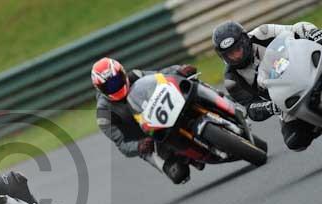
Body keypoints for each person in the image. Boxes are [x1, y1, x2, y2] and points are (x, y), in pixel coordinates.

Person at [212, 20, 322, 151]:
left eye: (237, 49)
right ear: (223, 56)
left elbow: (298, 28)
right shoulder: (232, 80)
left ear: (245, 40)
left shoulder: (263, 32)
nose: (236, 56)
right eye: (230, 53)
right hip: (287, 99)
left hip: (306, 68)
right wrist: (272, 107)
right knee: (295, 141)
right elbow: (251, 108)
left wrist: (316, 35)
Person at [91, 57, 199, 184]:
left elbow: (160, 76)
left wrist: (179, 69)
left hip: (165, 114)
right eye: (108, 86)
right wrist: (138, 146)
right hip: (149, 141)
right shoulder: (103, 114)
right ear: (100, 88)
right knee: (178, 173)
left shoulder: (135, 76)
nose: (114, 87)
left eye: (116, 81)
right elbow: (121, 144)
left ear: (123, 73)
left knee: (190, 88)